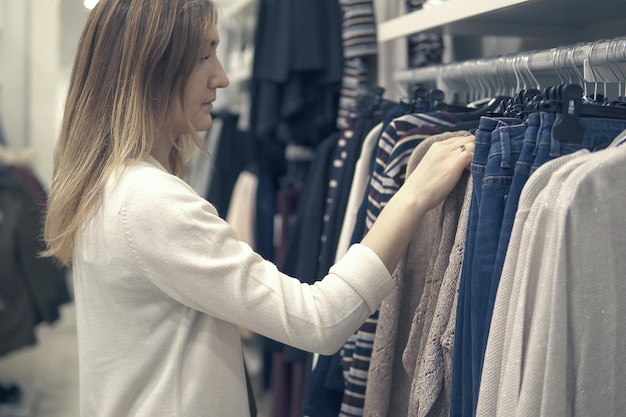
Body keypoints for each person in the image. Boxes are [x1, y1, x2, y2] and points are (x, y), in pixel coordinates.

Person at [42, 0, 475, 415]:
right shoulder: (149, 203)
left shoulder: (108, 185)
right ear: (151, 70)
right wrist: (413, 195)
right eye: (204, 57)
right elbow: (320, 320)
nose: (223, 77)